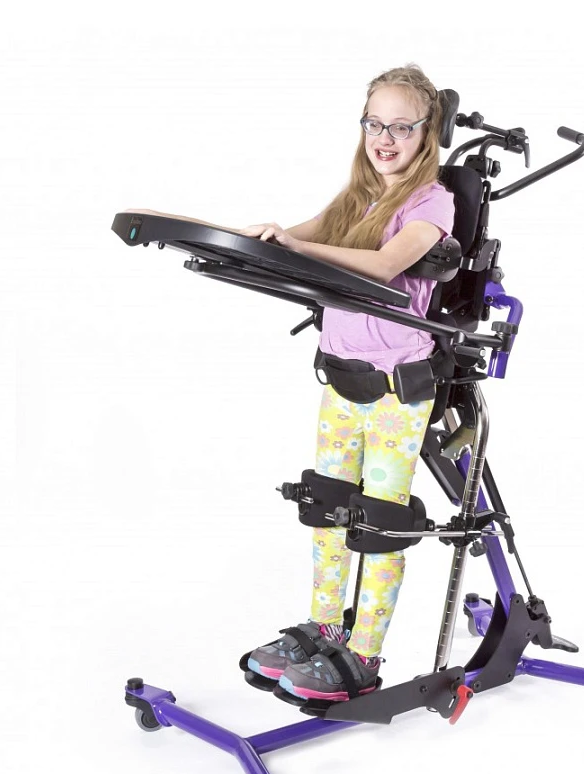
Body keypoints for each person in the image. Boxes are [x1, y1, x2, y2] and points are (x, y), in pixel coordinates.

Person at [136, 64, 455, 703]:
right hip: (342, 378)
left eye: (401, 127)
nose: (385, 138)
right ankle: (324, 629)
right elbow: (292, 239)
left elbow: (387, 265)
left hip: (397, 388)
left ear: (428, 132)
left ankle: (362, 654)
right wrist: (236, 235)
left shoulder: (432, 201)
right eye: (374, 124)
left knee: (380, 521)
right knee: (329, 509)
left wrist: (301, 247)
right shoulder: (357, 196)